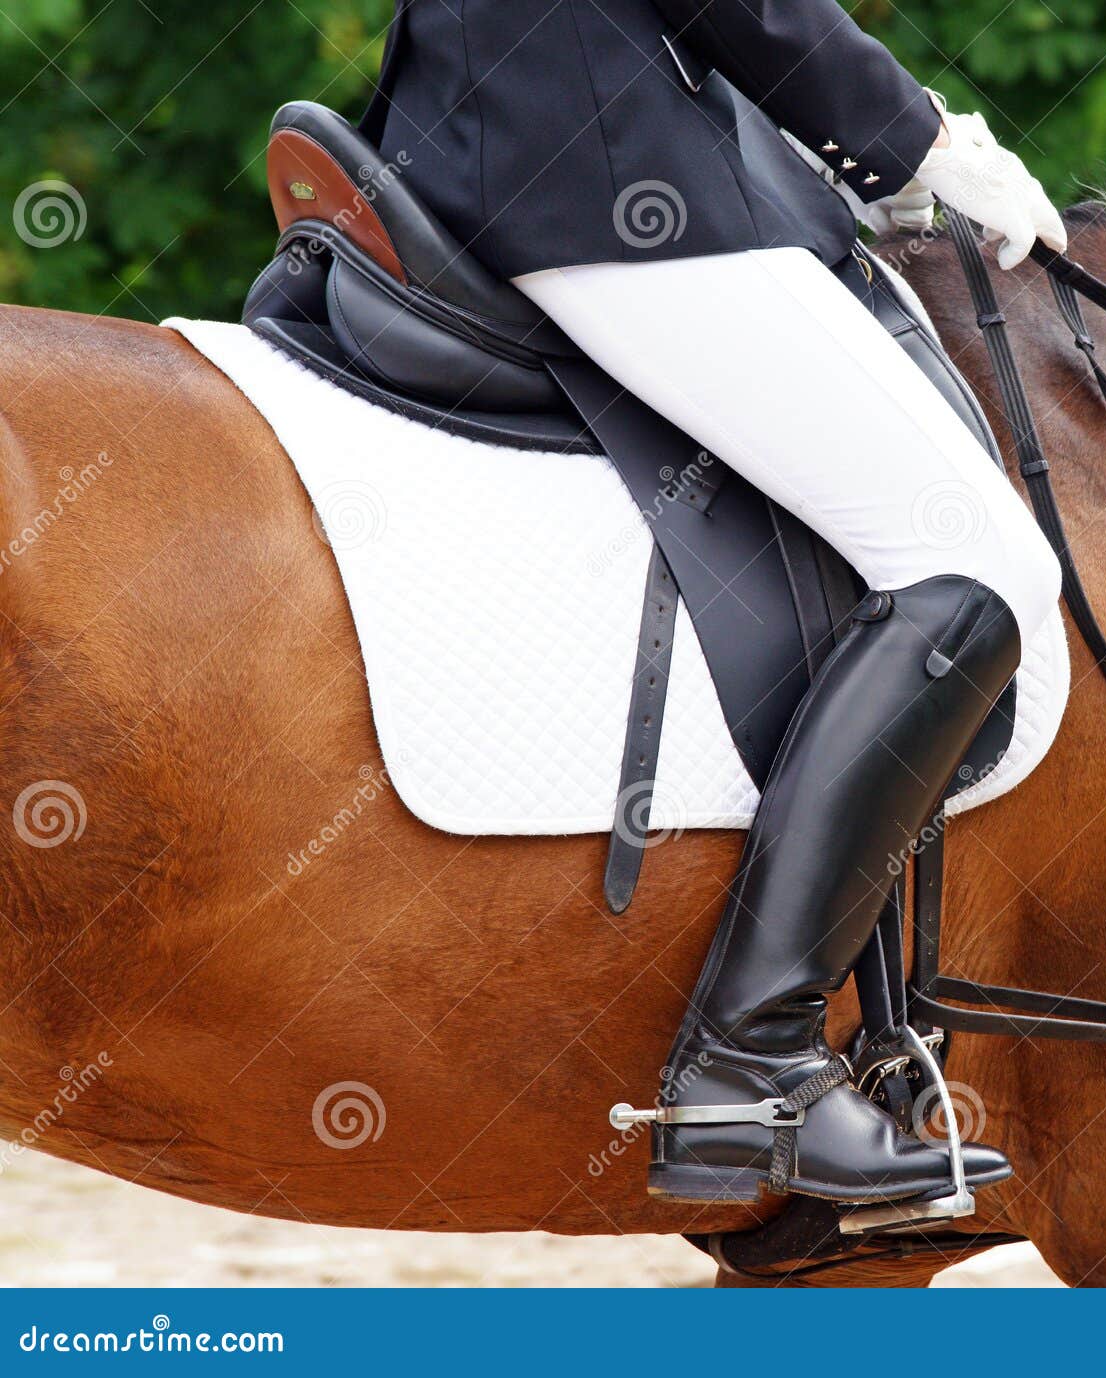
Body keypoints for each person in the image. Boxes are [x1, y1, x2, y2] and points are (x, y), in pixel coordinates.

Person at [367, 0, 1066, 1208]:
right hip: (596, 164)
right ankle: (752, 1063)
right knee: (982, 564)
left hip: (501, 124)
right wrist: (913, 140)